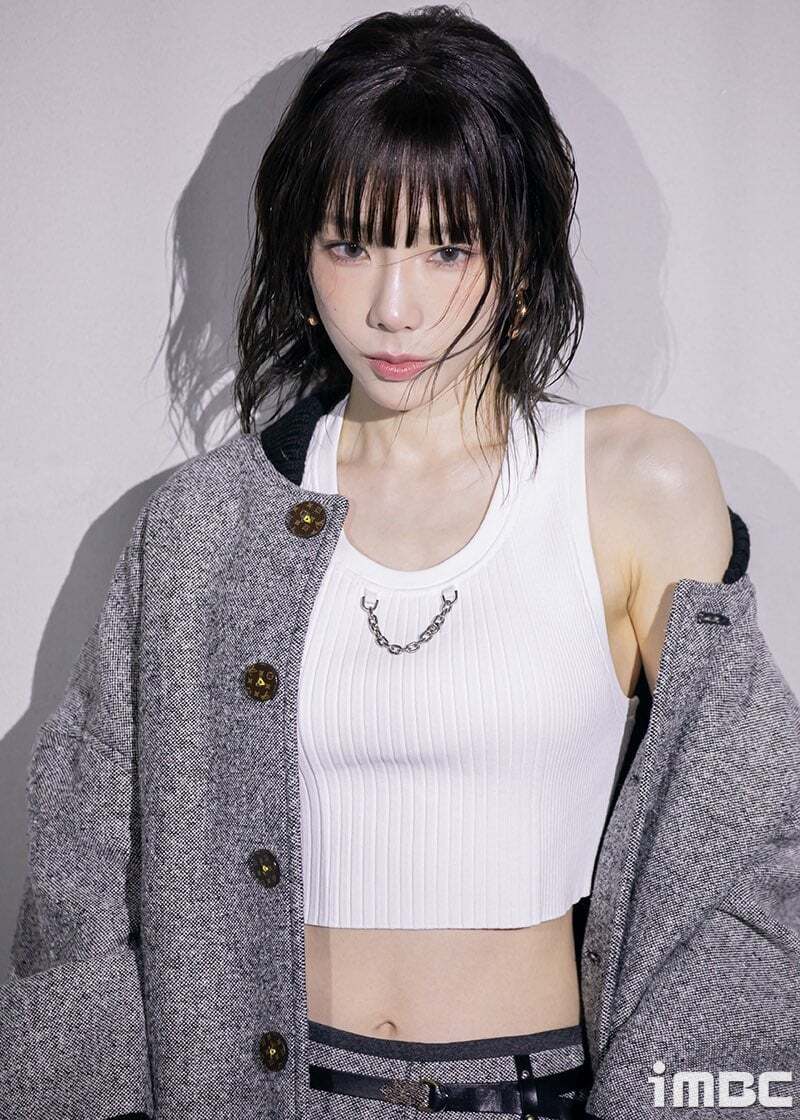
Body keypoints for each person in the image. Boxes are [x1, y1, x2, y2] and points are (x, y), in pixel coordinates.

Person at [3, 7, 797, 1120]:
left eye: (447, 248)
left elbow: (748, 846)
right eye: (352, 244)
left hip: (533, 1095)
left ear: (523, 253)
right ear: (301, 250)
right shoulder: (200, 527)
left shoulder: (634, 481)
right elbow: (83, 876)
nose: (392, 307)